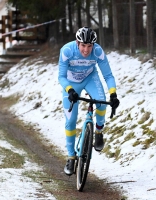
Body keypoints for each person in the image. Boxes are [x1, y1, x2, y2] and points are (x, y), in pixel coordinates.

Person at [58, 27, 120, 176]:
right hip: (71, 84)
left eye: (89, 46)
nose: (86, 50)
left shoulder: (97, 52)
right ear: (77, 43)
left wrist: (113, 94)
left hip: (90, 79)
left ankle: (98, 131)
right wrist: (70, 90)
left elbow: (108, 76)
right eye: (83, 45)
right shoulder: (67, 51)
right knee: (71, 121)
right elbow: (61, 77)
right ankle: (71, 157)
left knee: (101, 102)